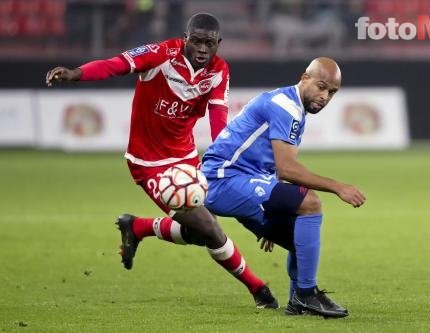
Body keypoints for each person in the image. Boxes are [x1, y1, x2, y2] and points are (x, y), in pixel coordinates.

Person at [45, 13, 278, 309]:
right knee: (211, 229)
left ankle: (138, 227)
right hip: (148, 163)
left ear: (219, 44)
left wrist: (224, 161)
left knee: (198, 233)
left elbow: (220, 123)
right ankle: (259, 290)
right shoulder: (160, 54)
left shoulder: (219, 71)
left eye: (209, 43)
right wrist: (76, 73)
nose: (202, 49)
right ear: (186, 38)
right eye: (196, 41)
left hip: (186, 160)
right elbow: (114, 65)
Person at [201, 57, 366, 318]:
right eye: (322, 86)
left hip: (243, 180)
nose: (325, 96)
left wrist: (275, 207)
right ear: (304, 78)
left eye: (332, 92)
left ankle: (296, 302)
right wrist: (338, 187)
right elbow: (287, 169)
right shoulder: (285, 107)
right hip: (223, 180)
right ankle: (307, 294)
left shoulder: (293, 106)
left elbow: (272, 168)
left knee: (299, 236)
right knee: (310, 203)